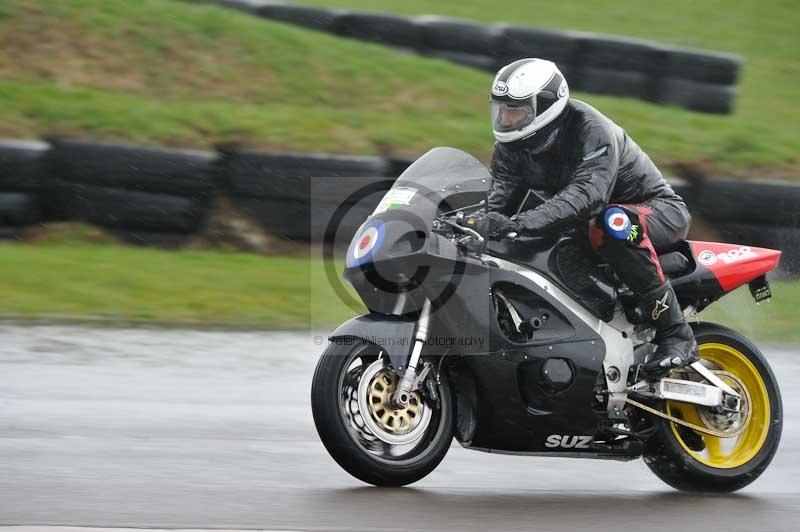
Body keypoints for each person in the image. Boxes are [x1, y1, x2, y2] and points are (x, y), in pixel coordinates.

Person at [469, 58, 698, 375]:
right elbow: (498, 199)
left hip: (655, 211)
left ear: (545, 106)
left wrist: (518, 224)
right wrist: (471, 226)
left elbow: (587, 198)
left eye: (515, 111)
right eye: (501, 109)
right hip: (587, 225)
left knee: (613, 223)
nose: (505, 119)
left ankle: (677, 334)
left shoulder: (591, 131)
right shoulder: (510, 147)